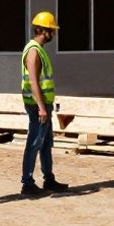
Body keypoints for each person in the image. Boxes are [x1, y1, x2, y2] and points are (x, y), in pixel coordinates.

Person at [20, 11, 70, 196]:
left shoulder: (38, 50)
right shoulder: (33, 51)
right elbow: (33, 82)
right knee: (34, 142)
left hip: (44, 105)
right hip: (37, 106)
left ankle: (49, 179)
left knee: (46, 142)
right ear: (43, 30)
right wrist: (41, 108)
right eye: (51, 30)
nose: (53, 34)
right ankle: (27, 182)